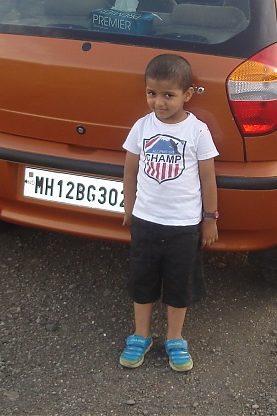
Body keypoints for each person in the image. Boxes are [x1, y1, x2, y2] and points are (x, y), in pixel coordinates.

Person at [119, 54, 219, 372]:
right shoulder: (141, 127)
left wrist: (209, 218)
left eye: (168, 95)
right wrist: (128, 207)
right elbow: (130, 170)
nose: (159, 103)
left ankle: (174, 338)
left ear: (187, 94)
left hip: (184, 225)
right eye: (152, 93)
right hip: (146, 220)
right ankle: (141, 335)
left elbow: (207, 178)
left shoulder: (198, 131)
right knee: (143, 280)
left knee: (179, 284)